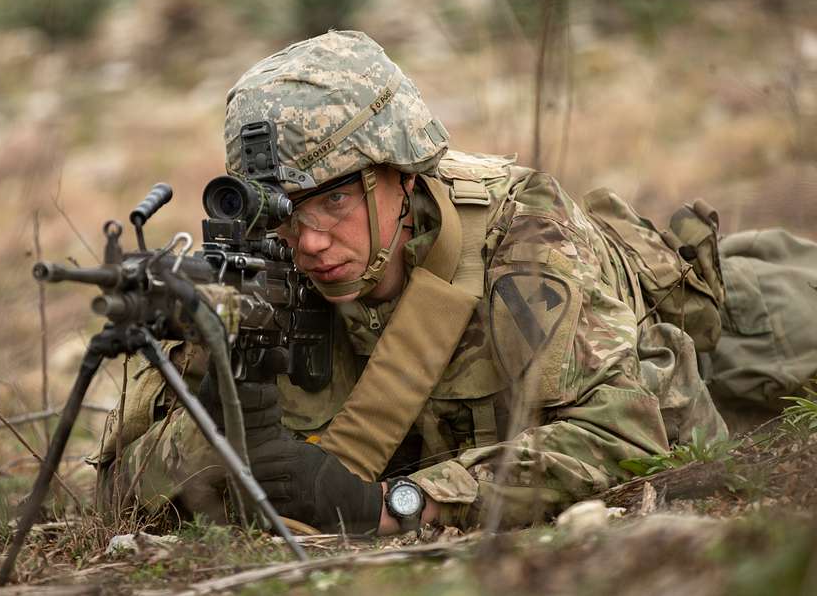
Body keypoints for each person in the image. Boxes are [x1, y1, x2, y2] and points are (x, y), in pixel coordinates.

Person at [90, 30, 733, 534]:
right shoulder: (263, 283)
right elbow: (115, 493)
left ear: (401, 175)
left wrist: (404, 504)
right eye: (286, 213)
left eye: (334, 203)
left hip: (703, 326)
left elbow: (632, 432)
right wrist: (225, 426)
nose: (309, 243)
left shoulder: (523, 240)